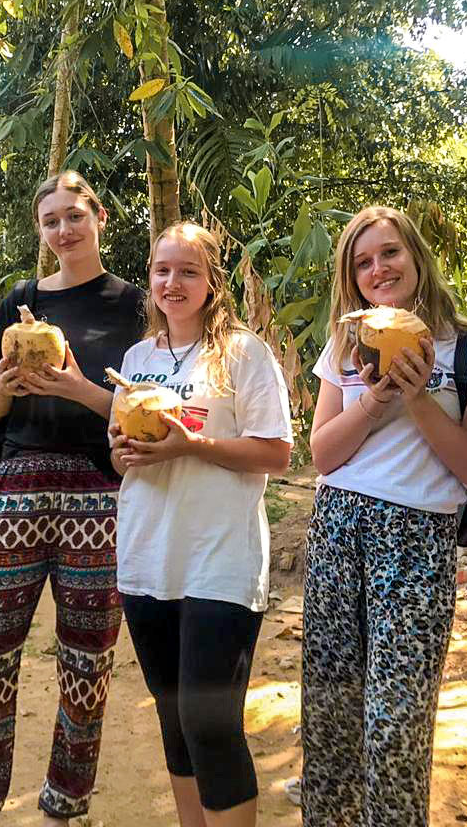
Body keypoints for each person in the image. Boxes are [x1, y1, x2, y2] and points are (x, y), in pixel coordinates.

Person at [302, 206, 467, 827]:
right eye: (362, 262)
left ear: (416, 256)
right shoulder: (346, 339)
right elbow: (322, 456)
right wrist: (373, 401)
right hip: (338, 525)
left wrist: (417, 398)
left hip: (418, 536)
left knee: (397, 720)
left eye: (389, 253)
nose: (378, 269)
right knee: (331, 711)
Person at [0, 171, 145, 826]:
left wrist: (78, 389)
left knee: (87, 656)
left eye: (74, 215)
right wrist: (7, 384)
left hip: (99, 485)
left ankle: (68, 798)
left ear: (98, 216)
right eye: (51, 221)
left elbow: (145, 407)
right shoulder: (20, 301)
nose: (64, 229)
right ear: (41, 231)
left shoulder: (135, 306)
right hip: (19, 480)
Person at [108, 221, 293, 827]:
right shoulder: (138, 359)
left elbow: (275, 452)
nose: (173, 281)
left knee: (208, 724)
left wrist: (191, 446)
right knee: (172, 716)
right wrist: (123, 447)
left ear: (213, 281)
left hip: (219, 560)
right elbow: (122, 459)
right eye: (163, 270)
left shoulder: (244, 352)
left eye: (188, 270)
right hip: (145, 556)